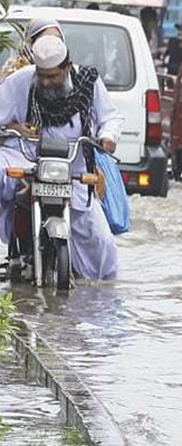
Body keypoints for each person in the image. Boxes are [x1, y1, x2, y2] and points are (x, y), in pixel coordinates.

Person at [0, 34, 123, 280]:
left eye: (53, 76)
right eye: (42, 75)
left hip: (71, 164)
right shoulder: (20, 81)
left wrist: (107, 137)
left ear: (67, 67)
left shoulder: (88, 81)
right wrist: (12, 126)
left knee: (102, 243)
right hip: (26, 157)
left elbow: (110, 117)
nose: (46, 82)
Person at [0, 19, 64, 83]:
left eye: (57, 39)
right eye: (46, 40)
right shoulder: (14, 73)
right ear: (31, 43)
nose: (52, 45)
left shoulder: (68, 73)